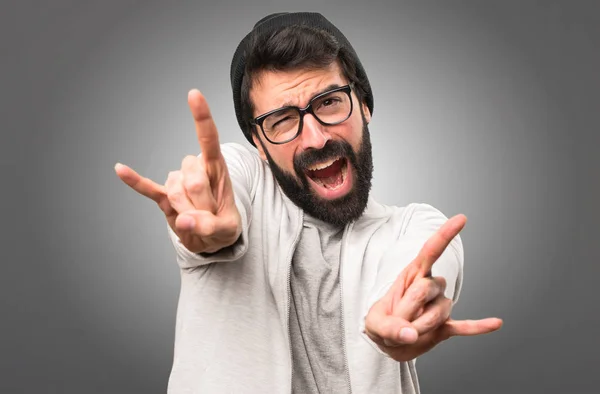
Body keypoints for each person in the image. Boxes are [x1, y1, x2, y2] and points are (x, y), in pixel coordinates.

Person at [115, 12, 502, 393]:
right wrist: (213, 229)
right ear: (260, 145)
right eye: (282, 120)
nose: (316, 138)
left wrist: (407, 310)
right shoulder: (243, 182)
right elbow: (223, 185)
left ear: (364, 106)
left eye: (330, 102)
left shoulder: (416, 226)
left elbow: (424, 266)